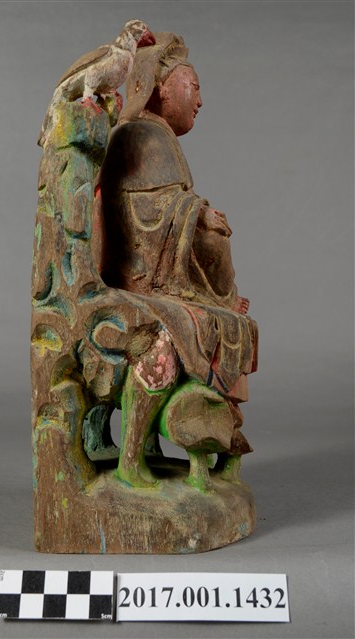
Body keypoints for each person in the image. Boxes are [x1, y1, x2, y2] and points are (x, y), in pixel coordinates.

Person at [99, 33, 258, 487]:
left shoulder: (158, 136)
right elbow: (145, 216)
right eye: (194, 86)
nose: (200, 101)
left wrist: (195, 212)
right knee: (184, 330)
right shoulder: (139, 133)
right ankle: (136, 456)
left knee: (234, 326)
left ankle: (213, 444)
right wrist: (197, 214)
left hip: (162, 270)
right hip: (136, 275)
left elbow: (166, 205)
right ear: (161, 88)